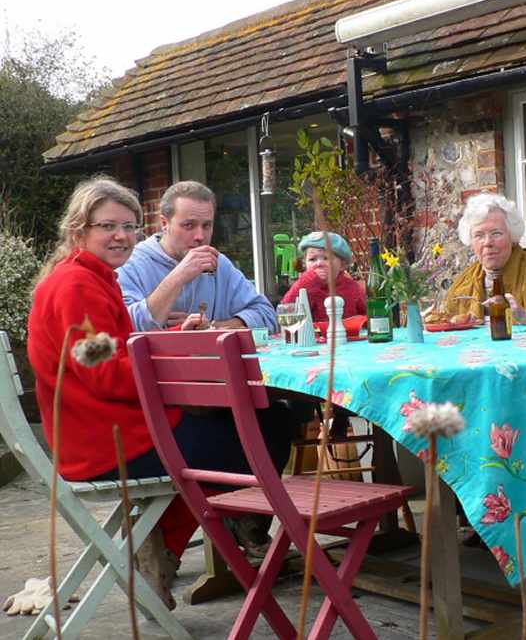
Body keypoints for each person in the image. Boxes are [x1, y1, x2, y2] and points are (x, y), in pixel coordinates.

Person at [27, 177, 297, 610]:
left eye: (128, 227)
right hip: (108, 443)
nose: (121, 236)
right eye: (107, 226)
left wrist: (173, 339)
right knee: (261, 433)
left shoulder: (88, 278)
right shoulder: (77, 286)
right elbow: (105, 373)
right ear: (79, 229)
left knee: (248, 428)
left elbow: (112, 354)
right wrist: (177, 364)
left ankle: (167, 545)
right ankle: (191, 541)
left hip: (105, 431)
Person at [117, 180, 276, 332]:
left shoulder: (218, 264)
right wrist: (178, 277)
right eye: (189, 225)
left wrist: (212, 327)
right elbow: (121, 327)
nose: (200, 236)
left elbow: (267, 315)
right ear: (164, 224)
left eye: (206, 225)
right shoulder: (130, 265)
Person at [445, 193, 526, 324]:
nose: (487, 242)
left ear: (512, 236)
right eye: (479, 235)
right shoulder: (461, 287)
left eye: (496, 233)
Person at [281, 231, 366, 322]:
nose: (319, 263)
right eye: (312, 259)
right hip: (311, 331)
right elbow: (287, 312)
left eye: (326, 258)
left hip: (346, 330)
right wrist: (306, 282)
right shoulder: (302, 286)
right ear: (305, 263)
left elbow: (367, 315)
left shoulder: (352, 288)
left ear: (342, 265)